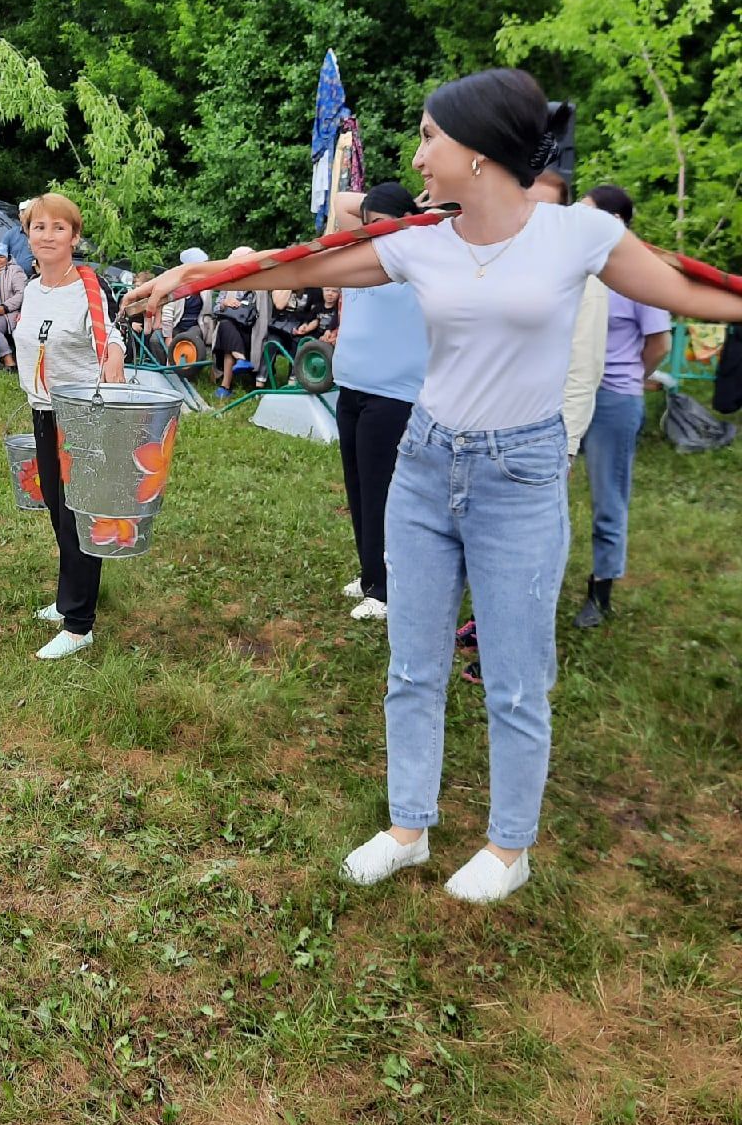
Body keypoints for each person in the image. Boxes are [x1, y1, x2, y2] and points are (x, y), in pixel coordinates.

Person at [126, 67, 742, 904]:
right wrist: (190, 281)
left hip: (519, 477)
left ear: (480, 151)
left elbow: (692, 290)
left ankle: (508, 845)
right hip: (424, 465)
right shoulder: (421, 240)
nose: (418, 155)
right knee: (412, 665)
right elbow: (304, 268)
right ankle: (408, 827)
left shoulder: (577, 236)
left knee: (519, 675)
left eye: (428, 136)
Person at [454, 163, 608, 683]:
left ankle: (513, 657)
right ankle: (485, 624)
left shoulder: (579, 272)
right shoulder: (494, 256)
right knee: (482, 541)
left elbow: (583, 366)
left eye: (548, 205)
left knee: (527, 559)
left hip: (541, 437)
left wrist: (565, 444)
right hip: (478, 434)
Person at [15, 192, 126, 660]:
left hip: (80, 416)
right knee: (60, 513)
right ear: (28, 233)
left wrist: (114, 362)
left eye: (59, 227)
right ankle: (69, 598)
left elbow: (110, 336)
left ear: (74, 237)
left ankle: (79, 625)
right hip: (43, 411)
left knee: (79, 514)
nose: (48, 235)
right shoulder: (33, 288)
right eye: (39, 227)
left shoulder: (87, 285)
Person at [574, 185, 672, 629]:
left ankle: (601, 590)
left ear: (615, 222)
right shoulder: (577, 264)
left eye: (588, 212)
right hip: (567, 393)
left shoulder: (637, 274)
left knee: (607, 498)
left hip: (613, 398)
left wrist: (630, 375)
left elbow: (659, 343)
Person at [330, 182, 428, 622]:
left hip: (393, 395)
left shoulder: (415, 256)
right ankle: (370, 571)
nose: (371, 232)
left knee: (380, 491)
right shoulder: (363, 254)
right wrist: (377, 216)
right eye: (367, 225)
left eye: (380, 225)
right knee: (357, 486)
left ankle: (385, 589)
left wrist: (415, 213)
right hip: (351, 386)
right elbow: (339, 204)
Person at [210, 249, 259, 399]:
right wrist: (225, 303)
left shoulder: (258, 284)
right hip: (230, 327)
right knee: (226, 327)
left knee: (226, 330)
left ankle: (225, 387)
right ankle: (240, 359)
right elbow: (215, 309)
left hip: (249, 329)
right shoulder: (228, 284)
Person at [0, 243, 27, 368]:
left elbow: (21, 294)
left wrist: (4, 307)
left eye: (1, 256)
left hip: (8, 312)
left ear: (7, 257)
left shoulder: (15, 271)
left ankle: (9, 360)